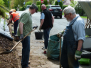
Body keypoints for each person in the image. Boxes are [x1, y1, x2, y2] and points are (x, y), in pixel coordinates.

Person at [17, 4, 38, 68]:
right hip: (25, 35)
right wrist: (21, 34)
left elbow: (26, 24)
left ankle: (24, 62)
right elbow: (21, 24)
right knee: (26, 50)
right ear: (34, 9)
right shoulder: (27, 14)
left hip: (26, 33)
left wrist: (32, 27)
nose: (35, 12)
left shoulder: (28, 13)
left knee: (25, 49)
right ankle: (24, 65)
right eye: (35, 11)